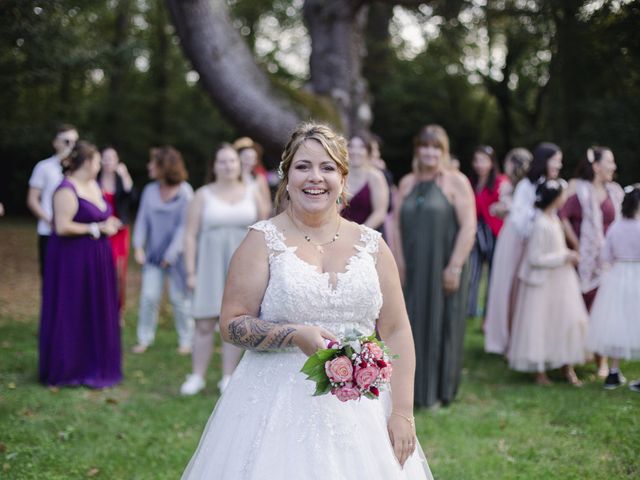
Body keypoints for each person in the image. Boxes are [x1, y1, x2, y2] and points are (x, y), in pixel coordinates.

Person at [181, 123, 433, 479]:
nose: (315, 177)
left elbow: (396, 329)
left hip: (361, 412)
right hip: (272, 407)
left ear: (342, 178)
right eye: (303, 166)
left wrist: (403, 413)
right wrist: (293, 334)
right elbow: (232, 323)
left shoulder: (372, 245)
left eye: (327, 167)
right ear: (287, 176)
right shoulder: (261, 241)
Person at [394, 124, 476, 408]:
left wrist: (454, 267)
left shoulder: (456, 182)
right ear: (418, 150)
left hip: (443, 266)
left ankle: (438, 392)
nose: (429, 152)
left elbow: (469, 227)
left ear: (443, 151)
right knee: (409, 325)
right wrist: (398, 262)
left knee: (442, 324)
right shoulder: (407, 183)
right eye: (424, 146)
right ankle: (410, 393)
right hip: (412, 268)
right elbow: (394, 225)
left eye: (435, 147)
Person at [180, 144, 268, 396]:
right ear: (214, 166)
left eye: (232, 161)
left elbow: (265, 230)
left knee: (235, 321)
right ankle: (197, 375)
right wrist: (190, 271)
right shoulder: (202, 195)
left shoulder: (252, 192)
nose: (228, 166)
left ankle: (228, 376)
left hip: (243, 266)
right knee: (204, 321)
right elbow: (189, 235)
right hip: (208, 263)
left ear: (239, 164)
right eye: (222, 161)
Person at [39, 141, 122, 387]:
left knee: (95, 307)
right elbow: (62, 226)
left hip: (98, 259)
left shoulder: (94, 186)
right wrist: (97, 228)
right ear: (87, 162)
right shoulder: (66, 189)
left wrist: (109, 222)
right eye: (97, 161)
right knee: (73, 307)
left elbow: (100, 213)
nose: (100, 165)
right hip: (72, 259)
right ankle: (70, 368)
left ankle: (96, 363)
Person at [507, 179, 588, 386]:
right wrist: (564, 257)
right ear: (555, 198)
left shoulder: (554, 219)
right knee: (540, 324)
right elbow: (535, 258)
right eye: (562, 194)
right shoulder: (540, 223)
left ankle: (565, 365)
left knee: (565, 321)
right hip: (542, 283)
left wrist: (566, 255)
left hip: (561, 281)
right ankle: (540, 370)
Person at [483, 144, 560, 355]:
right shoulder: (527, 185)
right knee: (509, 286)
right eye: (556, 160)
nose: (559, 164)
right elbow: (519, 217)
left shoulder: (551, 184)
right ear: (545, 161)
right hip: (517, 240)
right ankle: (506, 339)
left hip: (537, 242)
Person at [559, 146, 624, 377]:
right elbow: (562, 216)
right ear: (596, 166)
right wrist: (576, 244)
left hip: (606, 262)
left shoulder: (615, 192)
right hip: (582, 261)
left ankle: (601, 361)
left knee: (603, 310)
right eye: (610, 161)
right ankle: (569, 362)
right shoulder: (580, 192)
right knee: (576, 311)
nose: (613, 167)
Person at [132, 147, 194, 354]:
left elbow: (184, 227)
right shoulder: (150, 190)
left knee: (179, 300)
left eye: (153, 163)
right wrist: (138, 246)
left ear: (164, 167)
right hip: (152, 255)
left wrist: (170, 255)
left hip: (177, 257)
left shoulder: (185, 192)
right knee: (149, 297)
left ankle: (186, 340)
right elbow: (142, 220)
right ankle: (144, 339)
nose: (149, 167)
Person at [586, 184, 640, 390]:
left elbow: (605, 255)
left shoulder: (616, 227)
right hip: (637, 275)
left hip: (617, 277)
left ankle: (613, 372)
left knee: (619, 323)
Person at [27, 124, 79, 276]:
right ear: (56, 143)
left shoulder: (79, 170)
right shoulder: (44, 167)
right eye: (67, 141)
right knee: (49, 276)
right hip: (48, 231)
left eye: (75, 142)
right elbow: (32, 199)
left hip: (74, 231)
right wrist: (49, 220)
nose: (72, 146)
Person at [466, 145, 508, 317]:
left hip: (493, 232)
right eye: (476, 160)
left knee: (493, 273)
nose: (479, 164)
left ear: (491, 163)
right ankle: (470, 309)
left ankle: (490, 312)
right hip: (476, 231)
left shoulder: (500, 182)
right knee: (473, 272)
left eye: (483, 160)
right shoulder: (470, 182)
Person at [98, 146, 135, 317]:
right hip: (102, 231)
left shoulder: (121, 180)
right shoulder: (95, 180)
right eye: (105, 158)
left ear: (117, 161)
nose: (108, 161)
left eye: (111, 158)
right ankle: (103, 306)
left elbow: (133, 197)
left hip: (120, 231)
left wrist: (125, 175)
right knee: (103, 270)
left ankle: (119, 310)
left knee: (120, 273)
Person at [340, 134, 389, 230]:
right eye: (351, 146)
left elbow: (380, 212)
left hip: (367, 235)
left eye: (361, 147)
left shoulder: (376, 177)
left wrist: (360, 232)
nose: (355, 151)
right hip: (342, 234)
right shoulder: (340, 176)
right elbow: (338, 202)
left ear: (368, 151)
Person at [233, 137, 273, 215]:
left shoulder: (259, 179)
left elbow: (267, 204)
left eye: (252, 158)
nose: (248, 161)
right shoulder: (231, 178)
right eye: (245, 157)